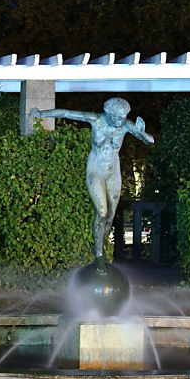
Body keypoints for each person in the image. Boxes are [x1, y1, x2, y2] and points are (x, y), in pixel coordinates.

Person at [29, 98, 154, 269]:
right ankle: (99, 255)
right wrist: (42, 114)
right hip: (95, 170)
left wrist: (142, 132)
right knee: (101, 212)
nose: (119, 122)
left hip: (113, 173)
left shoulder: (126, 125)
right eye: (116, 118)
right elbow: (67, 113)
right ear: (108, 114)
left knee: (111, 215)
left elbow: (150, 141)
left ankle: (100, 247)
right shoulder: (96, 120)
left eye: (122, 118)